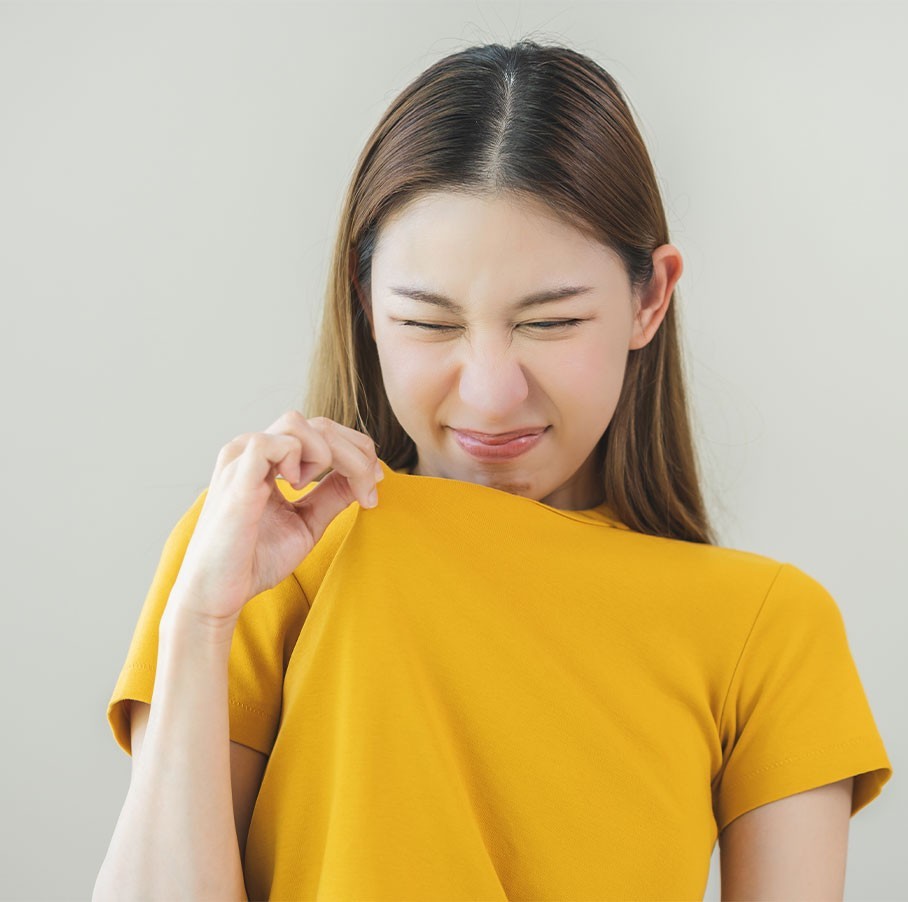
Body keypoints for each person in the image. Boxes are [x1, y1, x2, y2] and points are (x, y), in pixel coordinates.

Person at [93, 39, 892, 900]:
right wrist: (198, 624)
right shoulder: (262, 549)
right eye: (430, 323)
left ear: (650, 297)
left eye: (549, 323)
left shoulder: (768, 631)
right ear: (367, 305)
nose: (490, 392)